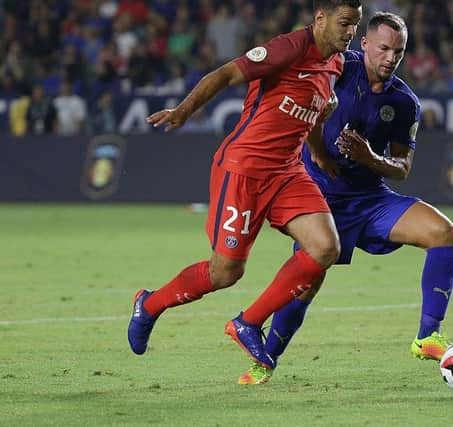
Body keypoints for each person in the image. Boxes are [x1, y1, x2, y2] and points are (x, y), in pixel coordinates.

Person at [127, 0, 363, 372]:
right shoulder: (287, 48)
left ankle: (248, 322)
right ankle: (150, 304)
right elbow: (223, 74)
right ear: (320, 19)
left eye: (356, 24)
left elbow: (315, 113)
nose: (351, 32)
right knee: (225, 273)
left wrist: (318, 153)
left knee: (325, 248)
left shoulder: (335, 62)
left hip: (287, 172)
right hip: (244, 170)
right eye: (345, 23)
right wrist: (183, 111)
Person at [239, 12, 453, 385]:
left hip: (371, 201)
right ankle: (266, 359)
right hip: (320, 200)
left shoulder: (404, 102)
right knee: (305, 286)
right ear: (365, 44)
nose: (391, 58)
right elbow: (307, 112)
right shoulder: (337, 68)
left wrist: (369, 158)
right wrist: (321, 155)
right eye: (385, 48)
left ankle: (427, 337)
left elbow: (403, 167)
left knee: (444, 232)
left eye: (399, 52)